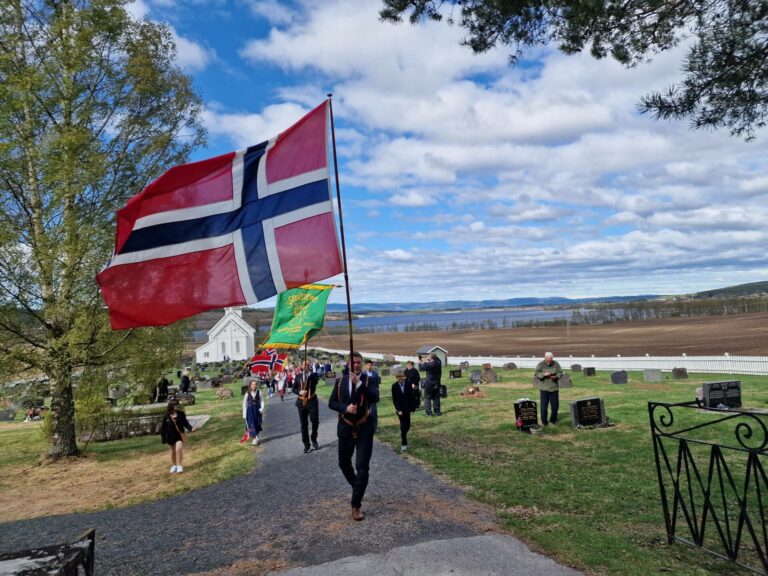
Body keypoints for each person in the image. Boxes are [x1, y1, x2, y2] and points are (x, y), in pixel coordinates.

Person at [329, 351, 379, 521]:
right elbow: (331, 403)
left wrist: (359, 385)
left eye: (359, 362)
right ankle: (357, 485)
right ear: (348, 363)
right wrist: (345, 408)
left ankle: (356, 505)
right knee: (343, 463)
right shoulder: (340, 381)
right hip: (345, 427)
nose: (356, 365)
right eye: (353, 362)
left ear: (362, 363)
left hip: (364, 427)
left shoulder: (368, 380)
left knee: (362, 466)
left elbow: (375, 397)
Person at [160, 400, 194, 473]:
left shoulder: (181, 414)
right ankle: (174, 465)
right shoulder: (166, 415)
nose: (177, 406)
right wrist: (163, 439)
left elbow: (186, 423)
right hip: (170, 435)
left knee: (178, 449)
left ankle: (179, 465)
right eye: (176, 405)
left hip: (179, 435)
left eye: (177, 405)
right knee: (172, 451)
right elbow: (163, 428)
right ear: (171, 406)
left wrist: (191, 429)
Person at [293, 360, 320, 453]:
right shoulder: (298, 376)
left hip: (312, 401)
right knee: (303, 424)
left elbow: (315, 382)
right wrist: (299, 392)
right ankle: (306, 444)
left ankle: (313, 438)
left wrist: (308, 375)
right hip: (301, 402)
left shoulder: (313, 375)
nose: (306, 366)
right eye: (305, 365)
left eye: (308, 365)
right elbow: (293, 389)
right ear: (301, 365)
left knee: (315, 421)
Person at [391, 368, 417, 451]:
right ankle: (404, 444)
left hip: (408, 408)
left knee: (408, 425)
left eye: (401, 377)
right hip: (400, 409)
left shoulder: (408, 384)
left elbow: (411, 396)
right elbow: (394, 399)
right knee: (403, 426)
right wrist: (398, 410)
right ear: (396, 378)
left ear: (404, 377)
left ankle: (403, 434)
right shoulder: (394, 386)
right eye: (398, 377)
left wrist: (413, 408)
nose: (400, 379)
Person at [534, 352, 563, 426]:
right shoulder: (540, 364)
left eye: (550, 360)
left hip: (554, 388)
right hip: (544, 389)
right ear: (545, 358)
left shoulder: (556, 364)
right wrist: (543, 374)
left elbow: (560, 372)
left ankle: (553, 420)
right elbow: (536, 374)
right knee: (544, 406)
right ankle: (544, 422)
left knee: (555, 406)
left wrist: (556, 376)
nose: (549, 361)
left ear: (552, 358)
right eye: (548, 360)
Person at [419, 352, 442, 416]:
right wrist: (428, 360)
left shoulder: (431, 364)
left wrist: (420, 362)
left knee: (427, 397)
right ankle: (437, 412)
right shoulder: (438, 361)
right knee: (436, 397)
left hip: (429, 383)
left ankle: (428, 413)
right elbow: (432, 361)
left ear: (431, 358)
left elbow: (422, 367)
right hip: (437, 382)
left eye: (429, 357)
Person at [242, 380, 264, 445]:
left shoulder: (259, 392)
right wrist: (244, 414)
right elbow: (244, 404)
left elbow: (262, 401)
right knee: (251, 425)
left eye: (255, 384)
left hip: (257, 410)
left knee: (257, 424)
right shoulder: (247, 393)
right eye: (253, 385)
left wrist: (261, 409)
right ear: (250, 386)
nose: (254, 386)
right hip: (250, 411)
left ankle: (257, 435)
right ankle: (254, 439)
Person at [362, 360, 381, 431]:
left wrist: (377, 392)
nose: (369, 366)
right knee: (364, 412)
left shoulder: (375, 374)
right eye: (368, 365)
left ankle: (374, 427)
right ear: (365, 366)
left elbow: (377, 384)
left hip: (373, 396)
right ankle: (365, 426)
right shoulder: (363, 374)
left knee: (374, 412)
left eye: (370, 365)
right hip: (365, 396)